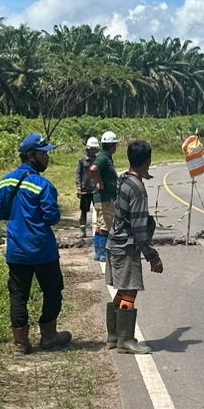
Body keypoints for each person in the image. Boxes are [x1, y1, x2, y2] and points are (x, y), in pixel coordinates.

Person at [0, 133, 73, 355]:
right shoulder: (43, 185)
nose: (47, 157)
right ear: (31, 156)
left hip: (17, 249)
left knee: (18, 294)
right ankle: (48, 336)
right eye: (43, 153)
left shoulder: (5, 181)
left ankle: (21, 343)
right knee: (53, 290)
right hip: (42, 249)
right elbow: (52, 217)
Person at [106, 139, 163, 353]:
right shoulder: (138, 189)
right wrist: (152, 256)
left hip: (115, 242)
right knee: (129, 291)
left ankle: (113, 337)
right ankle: (126, 341)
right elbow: (139, 229)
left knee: (122, 289)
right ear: (148, 161)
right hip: (127, 246)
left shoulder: (124, 179)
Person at [91, 130, 119, 262]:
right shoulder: (103, 157)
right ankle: (103, 254)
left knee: (99, 225)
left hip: (102, 198)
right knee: (105, 226)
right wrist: (100, 182)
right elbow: (93, 169)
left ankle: (98, 252)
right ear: (112, 146)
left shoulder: (106, 156)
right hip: (105, 198)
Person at [75, 136, 100, 232]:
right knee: (84, 211)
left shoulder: (98, 160)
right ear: (88, 149)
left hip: (96, 189)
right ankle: (82, 231)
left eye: (95, 149)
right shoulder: (82, 161)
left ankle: (99, 230)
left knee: (98, 210)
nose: (94, 151)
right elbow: (78, 174)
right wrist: (78, 187)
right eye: (92, 149)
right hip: (85, 190)